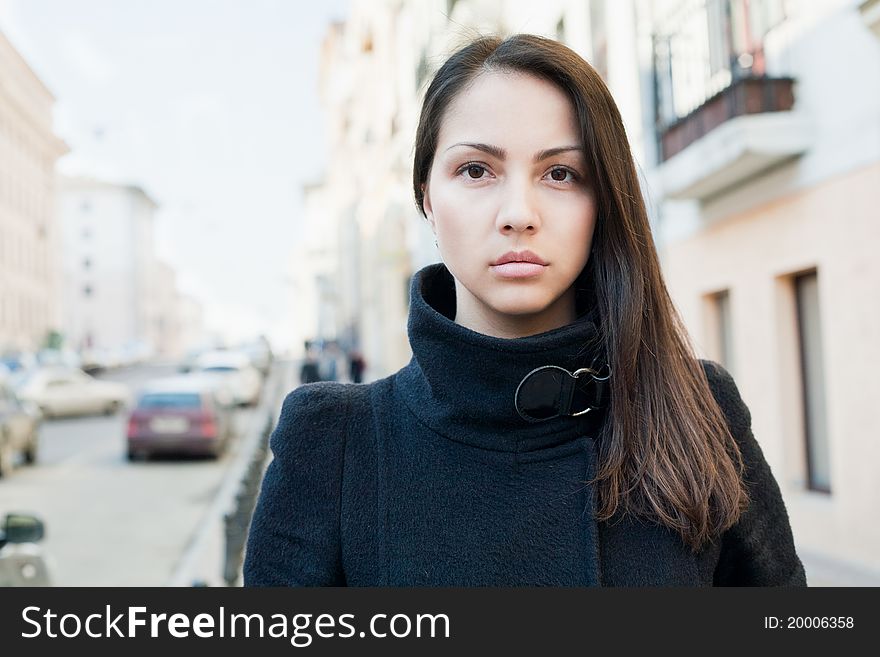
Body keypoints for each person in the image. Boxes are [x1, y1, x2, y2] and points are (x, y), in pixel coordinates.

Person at [244, 34, 806, 586]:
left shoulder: (699, 412)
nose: (518, 213)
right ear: (427, 199)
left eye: (560, 173)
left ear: (603, 199)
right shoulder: (334, 442)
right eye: (476, 170)